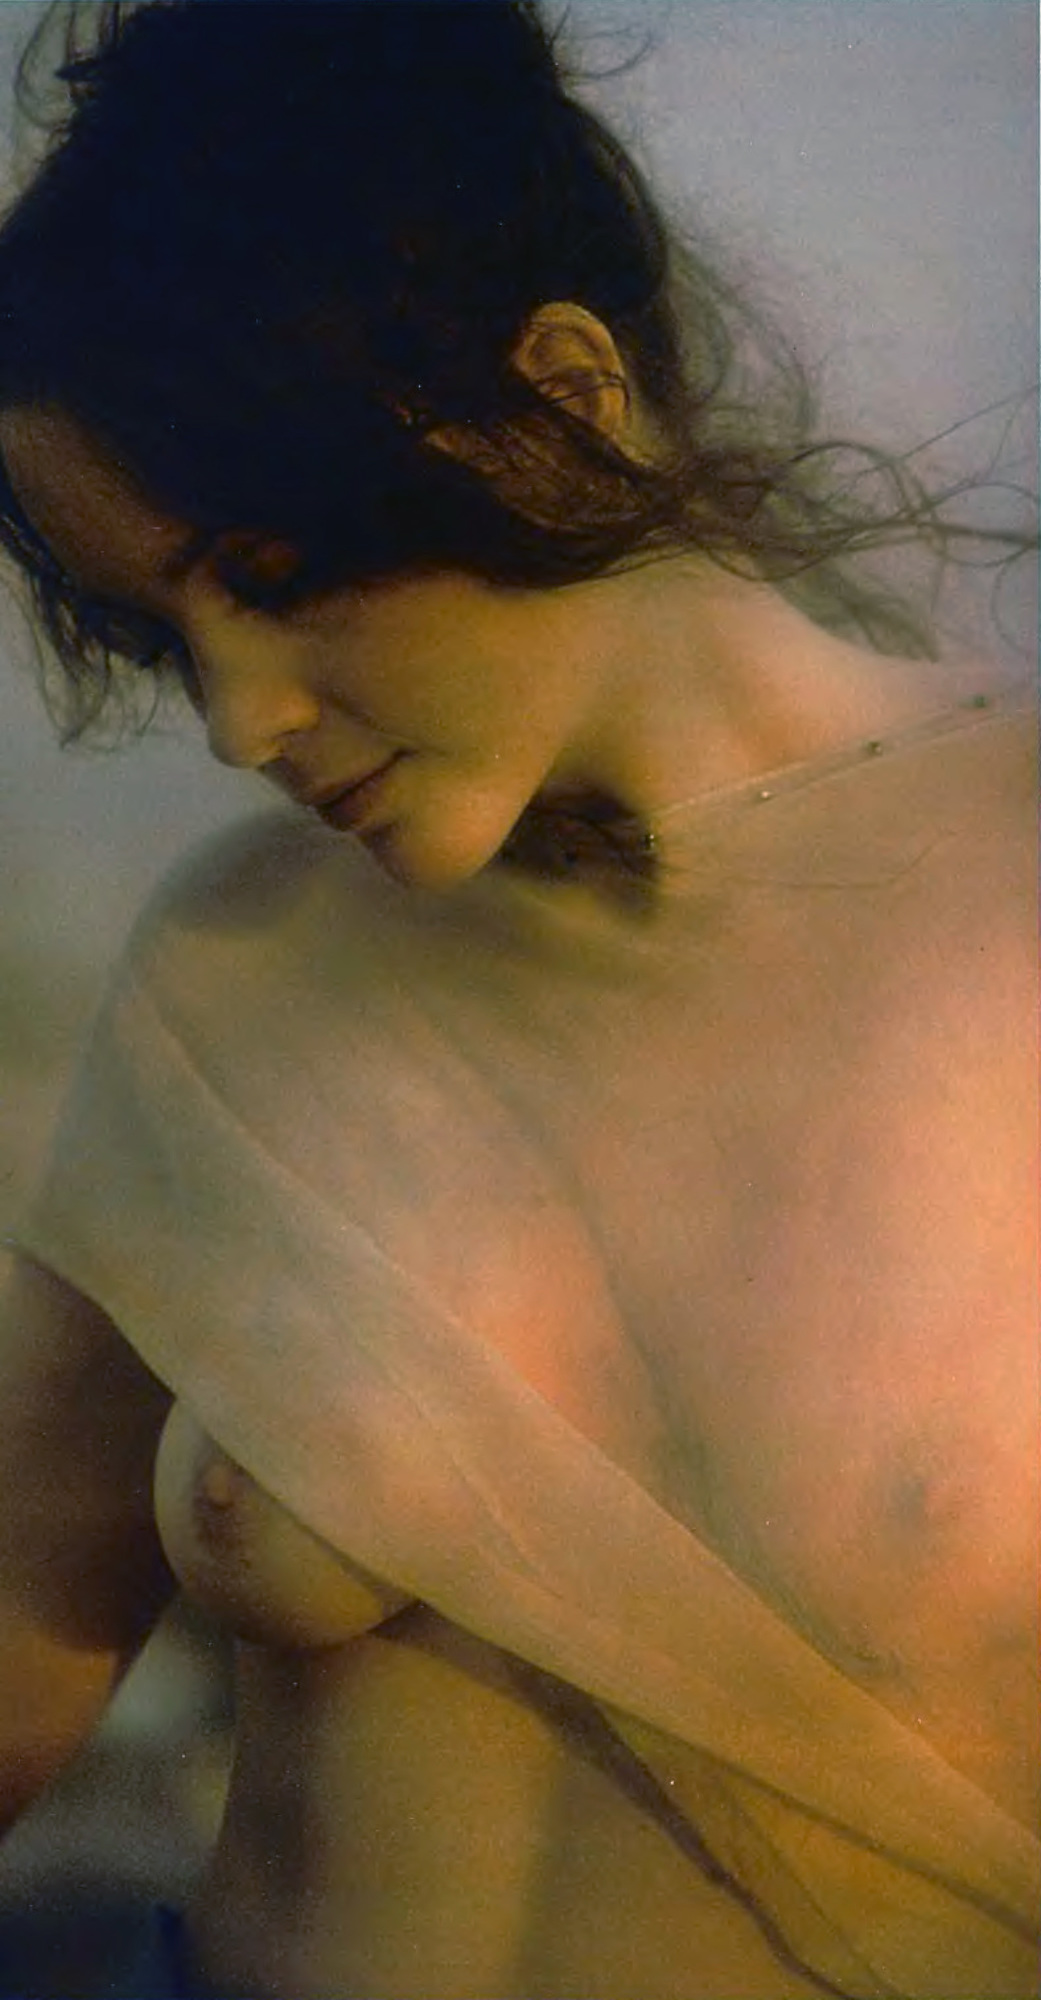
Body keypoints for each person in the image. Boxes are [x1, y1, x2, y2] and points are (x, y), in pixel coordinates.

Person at [0, 3, 1035, 1995]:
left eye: (272, 570)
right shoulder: (235, 969)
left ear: (559, 400)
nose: (236, 720)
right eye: (163, 631)